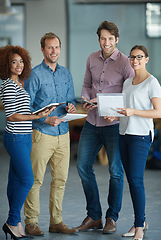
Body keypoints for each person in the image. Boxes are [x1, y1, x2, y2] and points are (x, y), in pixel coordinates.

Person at [76, 20, 134, 233]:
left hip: (114, 125)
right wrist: (86, 97)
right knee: (83, 167)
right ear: (99, 39)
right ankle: (94, 216)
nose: (106, 42)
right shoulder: (91, 58)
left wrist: (116, 112)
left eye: (110, 38)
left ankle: (112, 218)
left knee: (115, 172)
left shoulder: (125, 63)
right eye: (103, 38)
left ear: (116, 39)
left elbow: (131, 94)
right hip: (92, 121)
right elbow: (86, 84)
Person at [23, 32, 77, 236]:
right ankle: (31, 222)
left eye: (57, 47)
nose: (54, 51)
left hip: (63, 133)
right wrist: (45, 119)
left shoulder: (66, 74)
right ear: (43, 49)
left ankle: (56, 221)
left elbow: (70, 100)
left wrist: (71, 107)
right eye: (50, 47)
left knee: (60, 180)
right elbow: (27, 106)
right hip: (42, 133)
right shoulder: (34, 74)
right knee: (35, 180)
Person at [105, 45, 161, 240]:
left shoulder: (152, 82)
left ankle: (139, 226)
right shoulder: (128, 82)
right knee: (131, 181)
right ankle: (141, 221)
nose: (135, 60)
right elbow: (126, 110)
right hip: (124, 134)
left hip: (141, 136)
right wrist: (115, 116)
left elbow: (158, 112)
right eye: (132, 57)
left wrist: (133, 112)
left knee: (136, 181)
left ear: (147, 59)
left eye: (139, 57)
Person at [0, 45, 54, 240]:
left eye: (21, 61)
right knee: (27, 179)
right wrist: (36, 116)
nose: (19, 65)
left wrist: (39, 114)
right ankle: (12, 221)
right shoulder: (7, 85)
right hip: (15, 137)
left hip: (24, 137)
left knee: (15, 180)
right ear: (6, 65)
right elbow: (12, 116)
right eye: (14, 62)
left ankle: (16, 223)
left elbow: (22, 112)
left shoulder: (19, 84)